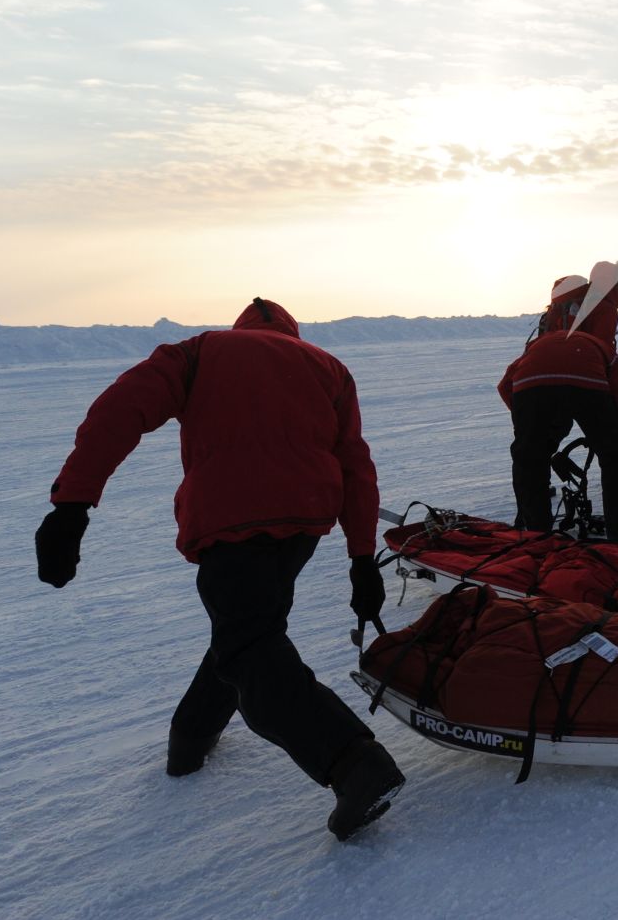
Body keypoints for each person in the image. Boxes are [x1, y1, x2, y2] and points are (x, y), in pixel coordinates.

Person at [35, 297, 405, 842]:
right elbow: (356, 465)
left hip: (232, 521)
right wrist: (361, 559)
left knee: (250, 646)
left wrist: (72, 505)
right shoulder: (326, 366)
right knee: (247, 629)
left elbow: (119, 410)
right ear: (290, 333)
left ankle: (354, 762)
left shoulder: (199, 352)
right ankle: (190, 736)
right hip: (303, 521)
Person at [498, 264, 618, 547]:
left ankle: (535, 532)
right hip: (584, 369)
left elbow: (507, 386)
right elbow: (614, 381)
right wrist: (610, 423)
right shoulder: (602, 317)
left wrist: (534, 429)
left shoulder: (546, 330)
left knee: (529, 457)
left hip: (530, 380)